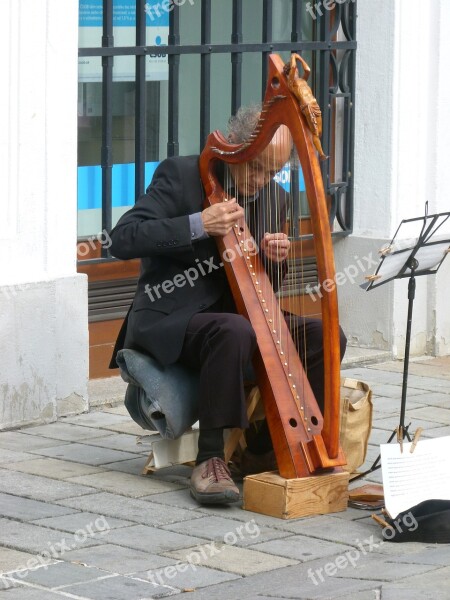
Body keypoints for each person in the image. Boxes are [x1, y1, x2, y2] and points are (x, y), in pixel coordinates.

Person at [109, 105, 346, 505]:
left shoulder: (276, 198)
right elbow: (123, 239)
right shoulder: (180, 174)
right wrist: (199, 223)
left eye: (271, 172)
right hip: (174, 313)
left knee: (325, 335)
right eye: (255, 168)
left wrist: (274, 257)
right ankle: (210, 458)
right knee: (234, 330)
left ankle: (276, 445)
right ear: (236, 148)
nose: (260, 180)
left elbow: (262, 289)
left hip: (239, 317)